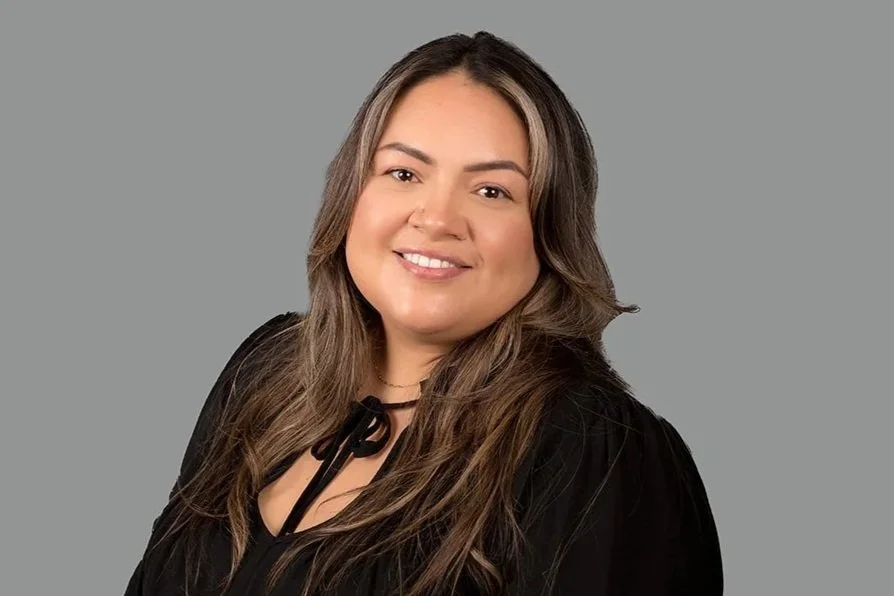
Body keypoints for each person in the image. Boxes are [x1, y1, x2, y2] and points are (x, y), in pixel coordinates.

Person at [125, 30, 723, 595]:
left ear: (548, 234)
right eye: (404, 173)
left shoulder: (596, 449)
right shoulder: (266, 372)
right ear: (351, 195)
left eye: (492, 191)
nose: (436, 219)